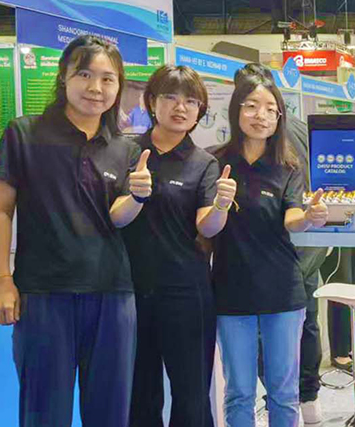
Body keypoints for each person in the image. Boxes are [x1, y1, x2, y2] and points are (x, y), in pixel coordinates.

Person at [0, 35, 147, 427]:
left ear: (118, 86)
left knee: (110, 414)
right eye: (85, 74)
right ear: (64, 77)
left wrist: (139, 196)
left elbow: (118, 217)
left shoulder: (125, 149)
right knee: (44, 413)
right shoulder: (24, 134)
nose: (96, 87)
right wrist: (2, 281)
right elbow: (1, 211)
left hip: (112, 295)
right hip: (44, 294)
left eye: (108, 79)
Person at [209, 73, 328, 427]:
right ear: (236, 110)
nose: (260, 115)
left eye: (270, 109)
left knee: (284, 393)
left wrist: (308, 216)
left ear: (279, 117)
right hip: (231, 291)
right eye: (251, 106)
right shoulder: (215, 162)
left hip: (282, 290)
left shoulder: (287, 167)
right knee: (239, 392)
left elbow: (292, 219)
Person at [123, 65, 230, 427]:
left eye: (191, 101)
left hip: (186, 293)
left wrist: (221, 206)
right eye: (170, 97)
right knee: (139, 393)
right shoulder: (126, 152)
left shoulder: (204, 163)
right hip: (130, 291)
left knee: (191, 394)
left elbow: (207, 225)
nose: (180, 107)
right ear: (152, 102)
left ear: (200, 110)